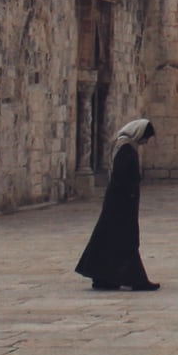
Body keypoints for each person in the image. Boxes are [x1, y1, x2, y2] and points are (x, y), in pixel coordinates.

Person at [75, 119, 160, 289]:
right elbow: (122, 175)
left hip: (119, 201)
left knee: (110, 238)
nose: (145, 142)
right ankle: (136, 280)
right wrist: (129, 193)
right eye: (145, 138)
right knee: (126, 239)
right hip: (121, 202)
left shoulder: (125, 145)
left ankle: (104, 277)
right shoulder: (126, 148)